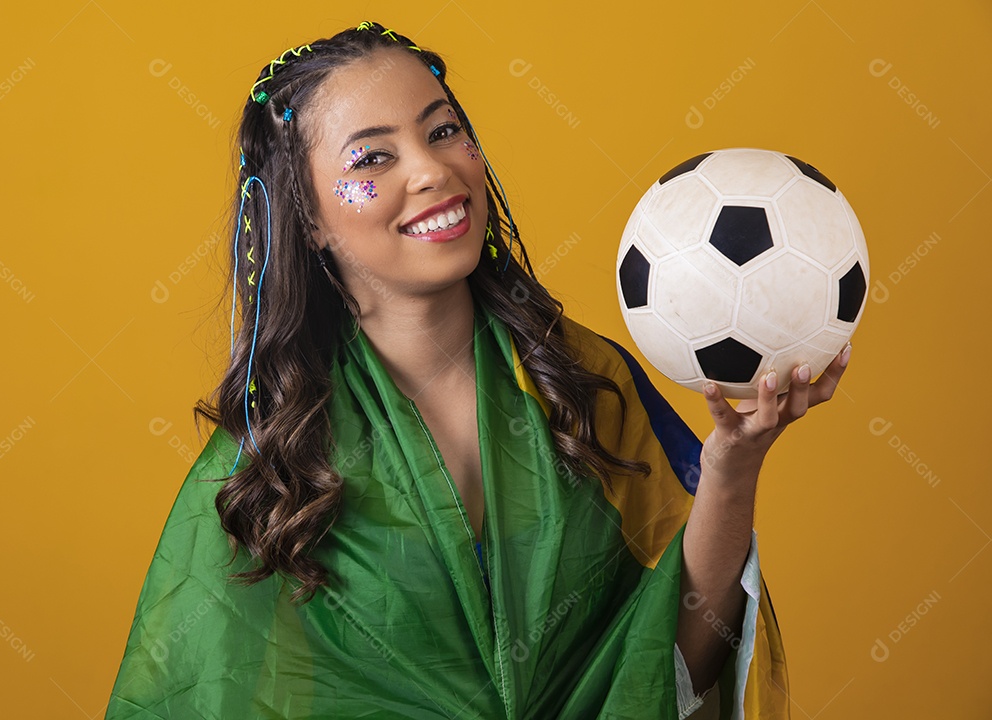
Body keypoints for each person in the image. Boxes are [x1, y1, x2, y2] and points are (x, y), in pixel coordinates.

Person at [105, 21, 849, 719]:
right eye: (373, 157)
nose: (433, 170)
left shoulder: (582, 381)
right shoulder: (274, 462)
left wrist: (730, 466)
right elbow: (200, 689)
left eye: (443, 130)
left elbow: (680, 668)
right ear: (308, 220)